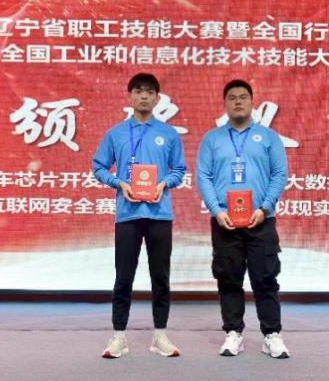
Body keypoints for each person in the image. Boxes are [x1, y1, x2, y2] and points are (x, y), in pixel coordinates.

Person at [93, 72, 186, 358]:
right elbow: (98, 167)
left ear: (157, 98)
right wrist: (118, 183)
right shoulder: (116, 133)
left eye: (149, 92)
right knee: (124, 277)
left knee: (161, 277)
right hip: (127, 214)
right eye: (138, 91)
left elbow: (179, 170)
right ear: (130, 96)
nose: (144, 96)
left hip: (159, 214)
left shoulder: (168, 134)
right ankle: (119, 336)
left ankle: (160, 335)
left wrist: (163, 184)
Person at [196, 79, 290, 359]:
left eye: (243, 97)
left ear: (252, 102)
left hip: (262, 220)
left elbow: (279, 174)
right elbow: (203, 176)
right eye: (232, 97)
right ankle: (233, 332)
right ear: (225, 104)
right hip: (225, 221)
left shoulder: (268, 137)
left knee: (266, 278)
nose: (238, 101)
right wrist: (216, 210)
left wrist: (265, 207)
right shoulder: (212, 139)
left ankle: (271, 335)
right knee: (228, 279)